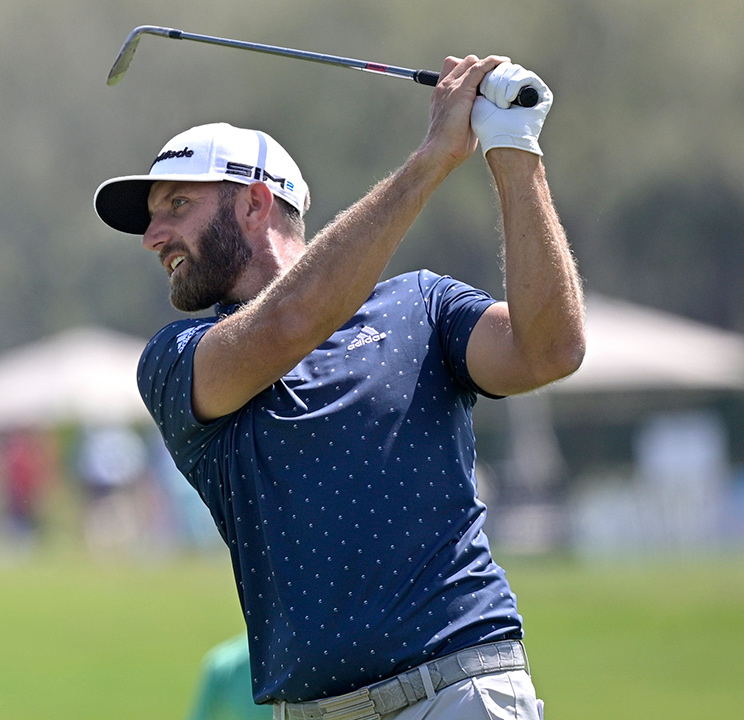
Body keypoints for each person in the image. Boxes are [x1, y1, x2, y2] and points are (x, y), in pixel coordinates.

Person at [93, 56, 584, 719]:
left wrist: (515, 151)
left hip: (460, 691)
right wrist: (430, 161)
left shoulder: (422, 307)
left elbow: (549, 350)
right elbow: (288, 323)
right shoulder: (175, 360)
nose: (153, 236)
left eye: (177, 205)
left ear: (253, 202)